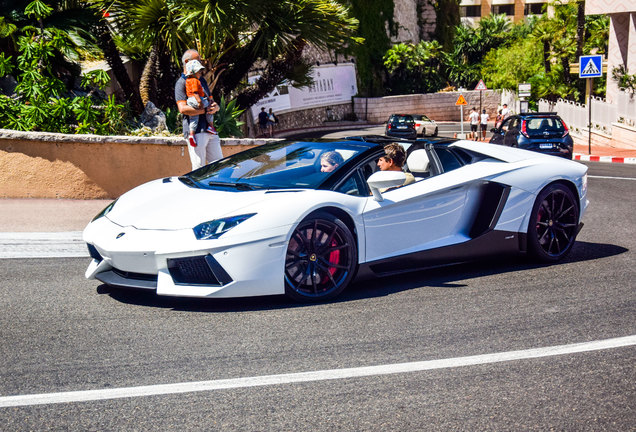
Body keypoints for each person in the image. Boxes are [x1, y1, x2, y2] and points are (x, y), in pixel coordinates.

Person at [175, 49, 221, 170]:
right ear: (186, 62)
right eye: (198, 60)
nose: (201, 63)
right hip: (196, 132)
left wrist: (215, 107)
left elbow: (210, 99)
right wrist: (204, 111)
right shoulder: (181, 83)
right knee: (199, 168)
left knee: (219, 167)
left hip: (210, 130)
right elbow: (183, 108)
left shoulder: (202, 80)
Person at [184, 59, 216, 147]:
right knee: (209, 109)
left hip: (190, 100)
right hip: (197, 99)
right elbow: (195, 92)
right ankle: (211, 126)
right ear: (193, 73)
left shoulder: (187, 80)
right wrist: (200, 102)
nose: (200, 73)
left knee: (194, 118)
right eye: (198, 72)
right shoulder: (195, 80)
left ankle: (192, 134)